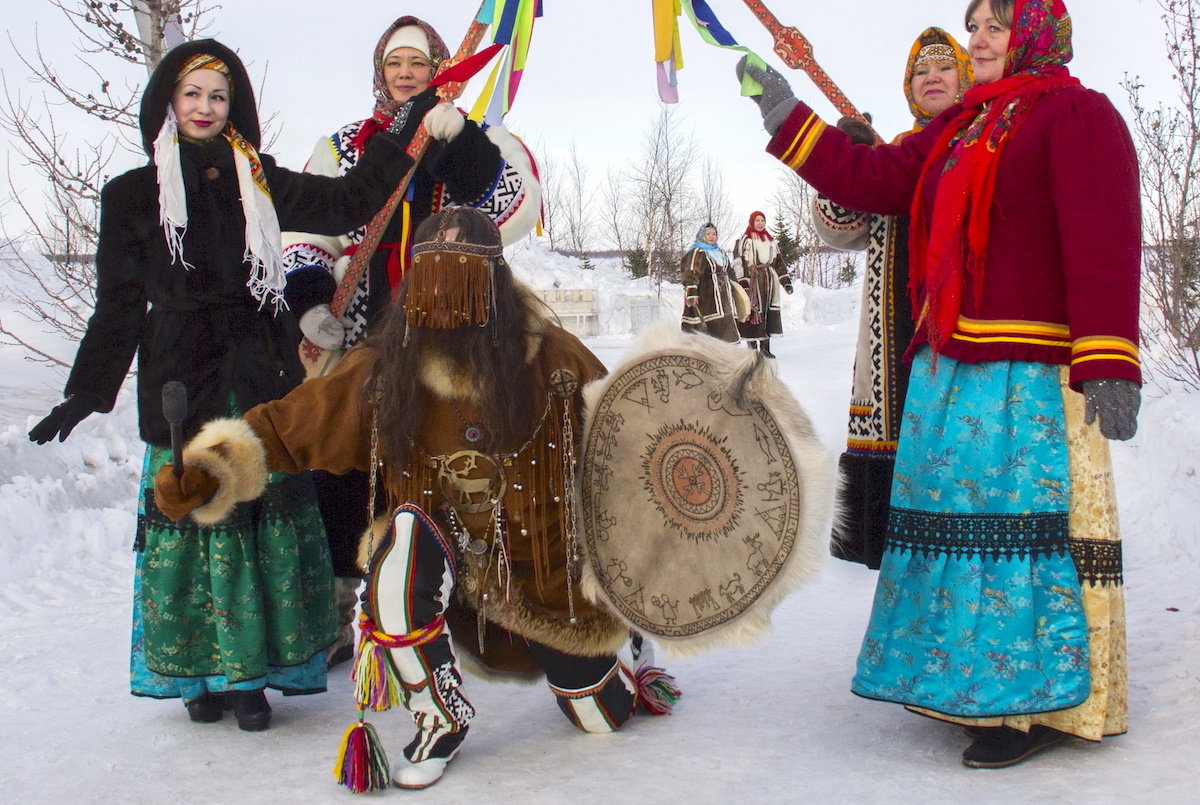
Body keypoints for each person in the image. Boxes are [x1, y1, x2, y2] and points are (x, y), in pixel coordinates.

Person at [738, 0, 1141, 768]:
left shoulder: (1075, 115)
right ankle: (967, 684)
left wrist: (1109, 360)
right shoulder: (962, 127)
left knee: (1014, 538)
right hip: (949, 364)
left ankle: (1028, 704)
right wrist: (787, 116)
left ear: (1033, 33)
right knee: (954, 532)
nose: (978, 40)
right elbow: (875, 175)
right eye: (974, 27)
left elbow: (1103, 239)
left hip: (1027, 369)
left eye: (995, 26)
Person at [153, 207, 673, 789]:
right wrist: (211, 469)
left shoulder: (554, 357)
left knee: (601, 718)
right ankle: (439, 715)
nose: (445, 294)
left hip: (543, 575)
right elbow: (294, 424)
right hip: (440, 548)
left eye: (462, 276)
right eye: (432, 275)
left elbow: (623, 444)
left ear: (494, 280)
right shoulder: (385, 364)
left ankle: (626, 647)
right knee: (397, 553)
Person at [28, 39, 423, 731]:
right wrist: (87, 389)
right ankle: (198, 679)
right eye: (193, 94)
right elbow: (118, 304)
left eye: (218, 96)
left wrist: (404, 131)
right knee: (193, 520)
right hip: (181, 379)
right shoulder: (131, 195)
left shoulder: (258, 179)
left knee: (263, 520)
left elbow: (347, 204)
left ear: (233, 106)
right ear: (168, 104)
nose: (205, 107)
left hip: (258, 373)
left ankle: (252, 681)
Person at [280, 17, 541, 666]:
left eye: (418, 63)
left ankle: (458, 603)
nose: (405, 73)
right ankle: (342, 605)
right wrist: (310, 297)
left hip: (453, 334)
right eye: (394, 62)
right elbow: (308, 230)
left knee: (450, 462)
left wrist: (463, 147)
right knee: (345, 462)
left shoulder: (480, 137)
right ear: (380, 71)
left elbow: (517, 212)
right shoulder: (344, 146)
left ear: (439, 69)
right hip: (362, 329)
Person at [812, 29, 972, 569]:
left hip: (963, 331)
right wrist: (852, 157)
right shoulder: (893, 156)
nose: (932, 77)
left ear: (965, 78)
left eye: (944, 68)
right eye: (920, 71)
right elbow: (839, 228)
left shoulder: (983, 145)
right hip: (894, 339)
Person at [732, 211, 793, 358]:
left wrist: (785, 282)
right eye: (757, 220)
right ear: (752, 222)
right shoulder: (744, 240)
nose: (760, 223)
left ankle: (765, 348)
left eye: (762, 220)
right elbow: (739, 262)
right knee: (753, 312)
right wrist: (743, 282)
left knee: (766, 312)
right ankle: (752, 348)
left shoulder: (770, 241)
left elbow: (778, 262)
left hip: (769, 281)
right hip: (753, 280)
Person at [680, 222, 740, 343]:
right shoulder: (697, 252)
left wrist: (737, 287)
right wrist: (692, 292)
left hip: (724, 298)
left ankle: (725, 352)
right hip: (706, 296)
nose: (712, 236)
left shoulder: (720, 252)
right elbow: (691, 273)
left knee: (725, 326)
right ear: (702, 235)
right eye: (708, 234)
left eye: (714, 234)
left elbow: (729, 271)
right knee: (708, 328)